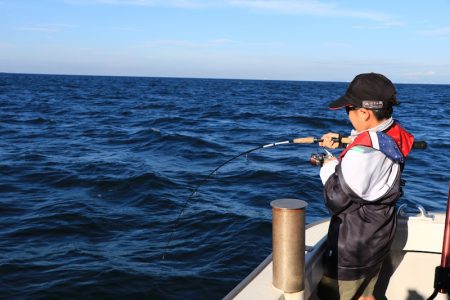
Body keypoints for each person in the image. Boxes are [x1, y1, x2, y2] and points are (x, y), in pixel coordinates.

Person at [316, 73, 415, 300]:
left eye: (347, 110)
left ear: (364, 112)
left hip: (354, 248)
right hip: (378, 237)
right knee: (366, 294)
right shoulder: (392, 133)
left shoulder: (363, 155)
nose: (347, 114)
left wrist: (329, 166)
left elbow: (336, 198)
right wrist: (346, 140)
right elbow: (372, 140)